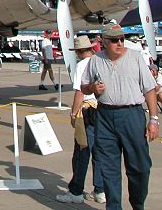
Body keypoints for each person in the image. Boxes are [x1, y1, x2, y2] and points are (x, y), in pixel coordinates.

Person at [81, 24, 160, 210]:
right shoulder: (95, 60)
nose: (119, 43)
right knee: (108, 167)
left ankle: (138, 204)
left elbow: (149, 89)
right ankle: (114, 206)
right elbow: (84, 86)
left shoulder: (135, 58)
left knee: (140, 166)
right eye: (114, 40)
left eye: (122, 39)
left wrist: (153, 119)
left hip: (131, 115)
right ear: (103, 41)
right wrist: (92, 88)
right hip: (105, 116)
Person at [56, 35, 105, 204]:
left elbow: (80, 92)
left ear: (78, 52)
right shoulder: (101, 61)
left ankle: (76, 191)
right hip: (102, 110)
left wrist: (73, 114)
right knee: (99, 152)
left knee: (81, 152)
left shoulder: (82, 65)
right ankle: (100, 190)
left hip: (87, 110)